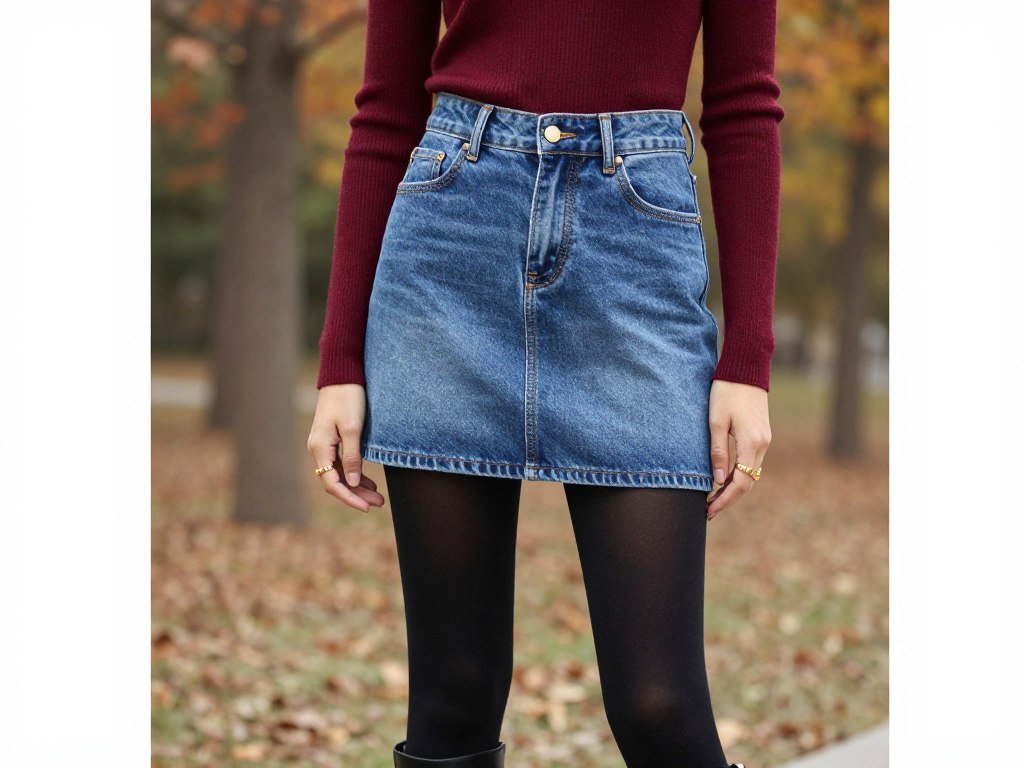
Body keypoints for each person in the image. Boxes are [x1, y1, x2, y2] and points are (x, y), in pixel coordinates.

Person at [308, 1, 782, 765]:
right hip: (450, 237)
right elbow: (385, 110)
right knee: (452, 693)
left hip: (637, 249)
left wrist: (748, 360)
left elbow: (744, 107)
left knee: (658, 703)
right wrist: (340, 362)